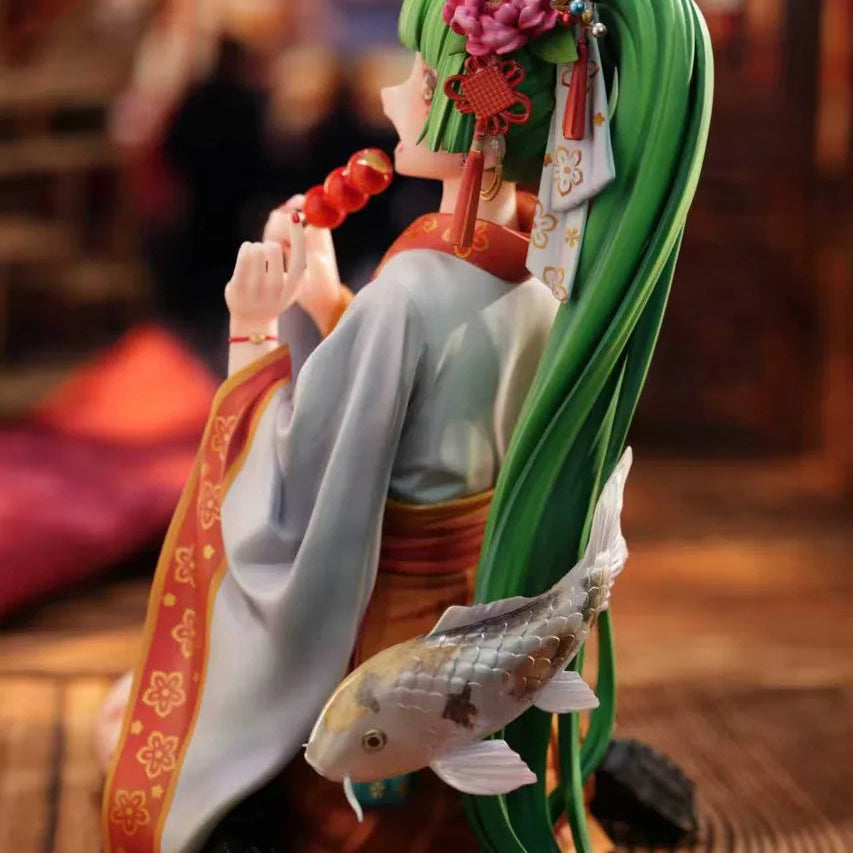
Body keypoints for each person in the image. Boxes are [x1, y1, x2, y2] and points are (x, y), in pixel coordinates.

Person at [99, 1, 713, 852]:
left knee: (139, 724)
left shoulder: (407, 296)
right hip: (488, 622)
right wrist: (326, 302)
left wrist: (253, 333)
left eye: (420, 81)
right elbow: (423, 407)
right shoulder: (547, 277)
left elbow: (307, 474)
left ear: (480, 112)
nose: (392, 98)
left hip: (394, 657)